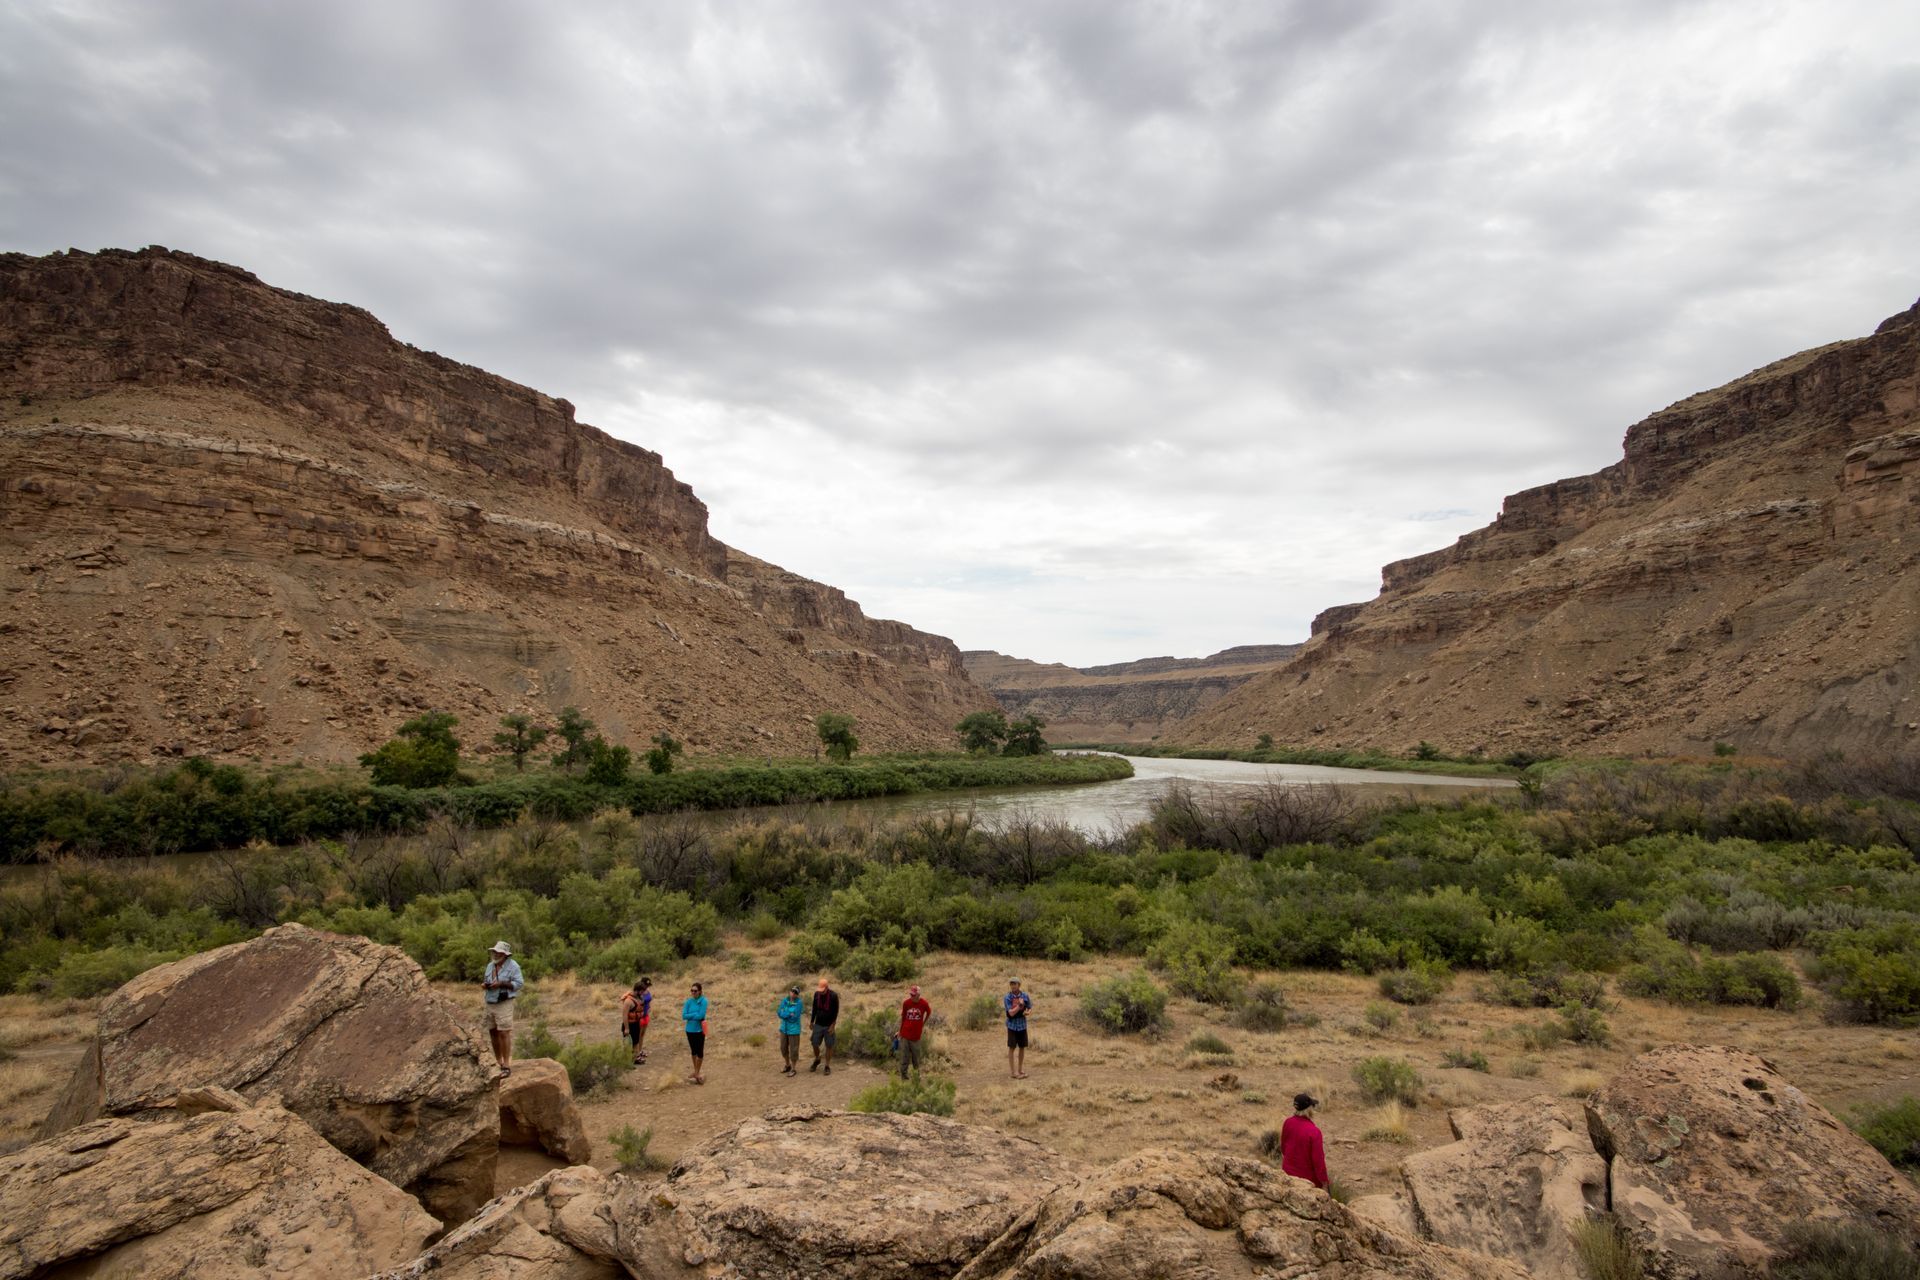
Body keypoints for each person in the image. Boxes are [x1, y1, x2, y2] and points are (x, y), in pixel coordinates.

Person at [480, 941, 523, 1076]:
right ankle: (498, 1061)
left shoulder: (513, 966)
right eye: (494, 952)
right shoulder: (490, 966)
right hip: (490, 1001)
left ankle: (506, 1065)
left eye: (498, 952)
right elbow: (487, 980)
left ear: (505, 955)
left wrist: (502, 984)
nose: (495, 954)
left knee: (504, 1032)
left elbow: (519, 983)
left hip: (504, 1002)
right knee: (493, 1031)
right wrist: (485, 985)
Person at [1279, 1093, 1329, 1190]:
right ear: (1309, 1109)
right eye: (1312, 1106)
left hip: (1288, 1175)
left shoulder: (1288, 1122)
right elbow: (1318, 1161)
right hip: (1307, 1181)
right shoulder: (1314, 1132)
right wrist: (1324, 1182)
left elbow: (1283, 1149)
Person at [897, 984, 931, 1079]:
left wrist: (923, 1023)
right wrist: (900, 1031)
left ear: (918, 995)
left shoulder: (924, 1004)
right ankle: (904, 1077)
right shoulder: (906, 1003)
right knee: (904, 1057)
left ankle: (916, 1077)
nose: (911, 996)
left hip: (916, 1036)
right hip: (905, 1034)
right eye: (911, 994)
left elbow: (929, 1012)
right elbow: (903, 1018)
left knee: (916, 1058)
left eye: (913, 995)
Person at [809, 976, 840, 1075]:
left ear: (827, 987)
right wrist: (811, 1021)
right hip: (818, 1023)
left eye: (823, 990)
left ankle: (827, 1065)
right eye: (820, 990)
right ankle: (817, 1059)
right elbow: (814, 1008)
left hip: (828, 1025)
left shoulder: (833, 996)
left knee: (829, 1045)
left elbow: (836, 1011)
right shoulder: (817, 994)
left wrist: (833, 1025)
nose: (821, 992)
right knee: (814, 1043)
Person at [1003, 977, 1033, 1079]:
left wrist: (1028, 1011)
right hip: (1012, 1026)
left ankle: (1020, 1070)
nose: (1013, 986)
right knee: (1011, 1047)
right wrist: (1019, 1006)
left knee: (1022, 1047)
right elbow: (1010, 1013)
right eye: (1011, 984)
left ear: (1019, 985)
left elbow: (1029, 1006)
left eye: (1015, 984)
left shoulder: (1025, 995)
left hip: (1022, 1025)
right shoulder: (1007, 997)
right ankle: (1013, 1072)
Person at [620, 977, 653, 1065]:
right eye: (642, 991)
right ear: (637, 990)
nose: (643, 993)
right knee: (628, 1044)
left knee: (636, 1042)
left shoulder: (639, 998)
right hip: (629, 1025)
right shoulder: (628, 1001)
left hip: (636, 1023)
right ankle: (626, 1061)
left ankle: (635, 1059)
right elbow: (624, 1015)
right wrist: (626, 1028)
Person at [682, 981, 709, 1085]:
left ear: (700, 991)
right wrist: (694, 1014)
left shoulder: (704, 1001)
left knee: (700, 1052)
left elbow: (701, 1016)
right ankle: (696, 1071)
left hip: (699, 1030)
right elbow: (684, 1016)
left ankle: (697, 1072)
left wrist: (691, 1015)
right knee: (693, 1051)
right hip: (689, 1030)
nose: (693, 992)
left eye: (695, 991)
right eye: (692, 990)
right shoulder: (689, 1001)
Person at [776, 984, 805, 1076]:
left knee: (793, 1050)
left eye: (795, 992)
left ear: (797, 994)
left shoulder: (799, 1003)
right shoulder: (785, 1000)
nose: (793, 993)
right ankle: (787, 1065)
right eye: (792, 991)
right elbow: (779, 1012)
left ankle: (793, 1068)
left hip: (794, 1030)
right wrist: (789, 1014)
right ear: (790, 991)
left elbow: (795, 1017)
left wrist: (785, 1014)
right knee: (783, 1048)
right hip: (784, 1029)